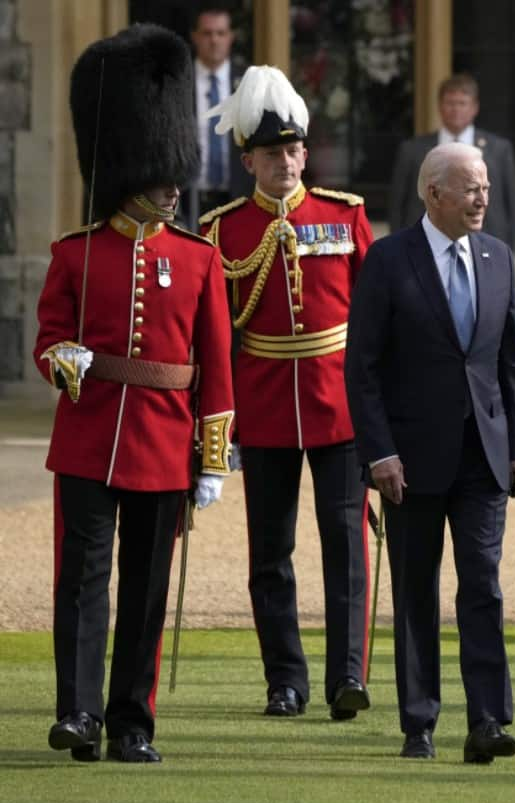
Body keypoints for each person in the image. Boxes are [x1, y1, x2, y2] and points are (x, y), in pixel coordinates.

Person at [36, 23, 234, 764]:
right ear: (131, 167)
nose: (174, 185)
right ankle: (78, 713)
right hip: (89, 436)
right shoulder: (75, 252)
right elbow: (49, 337)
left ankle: (131, 723)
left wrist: (211, 458)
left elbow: (216, 367)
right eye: (161, 173)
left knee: (146, 594)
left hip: (162, 443)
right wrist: (71, 363)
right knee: (81, 585)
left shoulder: (198, 260)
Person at [345, 142, 515, 763]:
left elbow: (513, 362)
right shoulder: (387, 259)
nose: (484, 198)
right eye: (471, 188)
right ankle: (419, 722)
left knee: (483, 586)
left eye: (485, 187)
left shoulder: (499, 256)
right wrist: (379, 454)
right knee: (416, 594)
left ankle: (488, 720)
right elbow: (362, 369)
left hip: (484, 456)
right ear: (434, 194)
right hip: (411, 460)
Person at [200, 65, 376, 722]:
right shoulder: (223, 232)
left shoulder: (344, 215)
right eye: (271, 153)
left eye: (293, 150)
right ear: (248, 159)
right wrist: (217, 429)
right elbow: (214, 339)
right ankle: (286, 681)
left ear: (306, 151)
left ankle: (347, 677)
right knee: (270, 552)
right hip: (265, 408)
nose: (285, 162)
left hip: (340, 406)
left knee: (345, 544)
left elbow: (375, 323)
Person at [389, 74, 515, 254]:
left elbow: (511, 201)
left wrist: (512, 247)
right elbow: (397, 203)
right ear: (440, 106)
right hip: (424, 247)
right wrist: (396, 246)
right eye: (450, 103)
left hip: (486, 245)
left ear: (475, 107)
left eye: (462, 103)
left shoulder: (500, 149)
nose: (456, 109)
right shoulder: (412, 150)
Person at [184, 5, 248, 225]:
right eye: (207, 33)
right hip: (188, 201)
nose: (214, 40)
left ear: (231, 37)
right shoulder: (179, 82)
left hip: (238, 199)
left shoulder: (247, 83)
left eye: (220, 33)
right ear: (195, 37)